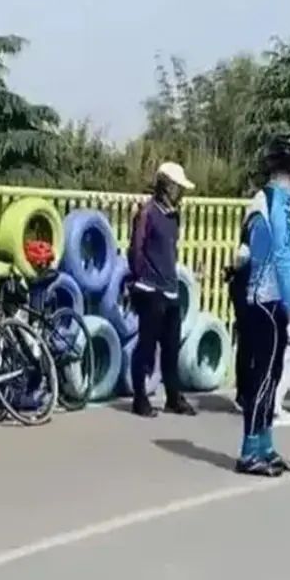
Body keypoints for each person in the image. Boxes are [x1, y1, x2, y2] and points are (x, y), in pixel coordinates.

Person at [231, 134, 290, 477]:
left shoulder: (278, 201)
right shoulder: (275, 201)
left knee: (273, 375)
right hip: (265, 300)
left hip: (269, 298)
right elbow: (283, 258)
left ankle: (265, 445)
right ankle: (249, 451)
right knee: (263, 378)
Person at [126, 161, 197, 418]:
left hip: (170, 287)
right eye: (179, 188)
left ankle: (173, 398)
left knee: (171, 347)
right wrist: (141, 278)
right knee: (146, 347)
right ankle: (140, 398)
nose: (182, 193)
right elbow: (136, 250)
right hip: (149, 288)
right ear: (167, 186)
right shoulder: (146, 213)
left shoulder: (174, 216)